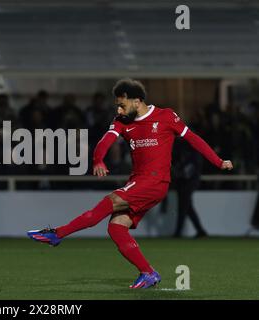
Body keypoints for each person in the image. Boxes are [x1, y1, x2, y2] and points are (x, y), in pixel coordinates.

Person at [27, 78, 233, 289]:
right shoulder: (122, 121)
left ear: (137, 101)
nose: (119, 109)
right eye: (117, 105)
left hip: (155, 181)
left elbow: (193, 139)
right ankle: (148, 273)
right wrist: (98, 160)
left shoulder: (166, 116)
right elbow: (104, 142)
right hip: (139, 181)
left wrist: (218, 162)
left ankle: (57, 234)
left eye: (122, 104)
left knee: (105, 205)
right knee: (116, 228)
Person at [172, 137, 208, 238]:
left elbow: (189, 168)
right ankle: (200, 230)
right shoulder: (190, 149)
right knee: (187, 207)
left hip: (187, 181)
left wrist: (178, 173)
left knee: (183, 206)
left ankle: (178, 232)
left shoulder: (187, 149)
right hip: (186, 181)